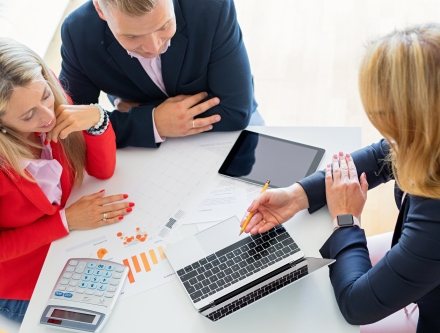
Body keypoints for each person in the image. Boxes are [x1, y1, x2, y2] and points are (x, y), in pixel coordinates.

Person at [241, 23, 440, 333]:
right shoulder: (429, 137)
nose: (384, 131)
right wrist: (297, 195)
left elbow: (355, 305)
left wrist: (346, 218)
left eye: (386, 115)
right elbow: (383, 155)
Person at [0, 38, 134, 323]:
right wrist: (65, 221)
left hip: (70, 249)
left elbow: (103, 171)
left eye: (46, 95)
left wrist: (98, 121)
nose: (49, 116)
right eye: (28, 116)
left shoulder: (42, 100)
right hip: (18, 282)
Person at [59, 0, 262, 149]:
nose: (153, 47)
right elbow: (71, 129)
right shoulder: (78, 33)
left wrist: (139, 114)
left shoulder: (211, 6)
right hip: (143, 145)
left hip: (230, 129)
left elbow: (236, 112)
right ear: (100, 10)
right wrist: (153, 122)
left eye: (164, 26)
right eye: (131, 36)